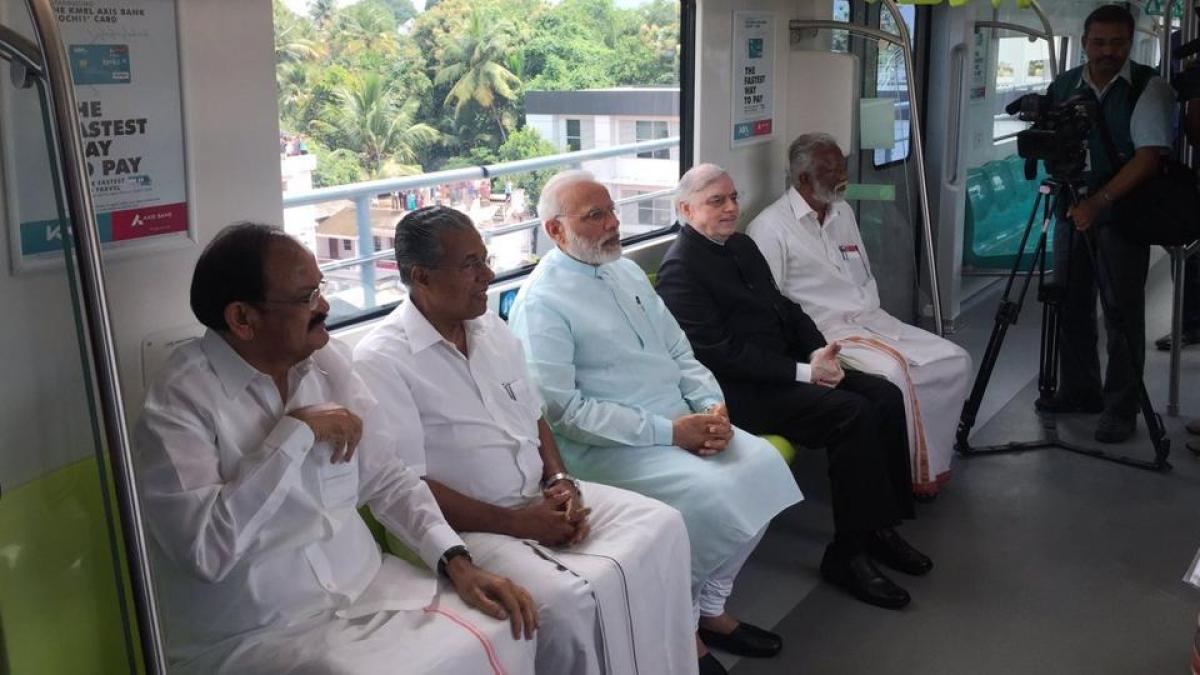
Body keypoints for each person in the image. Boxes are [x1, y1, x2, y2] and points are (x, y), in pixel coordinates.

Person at [134, 223, 538, 675]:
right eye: (307, 298)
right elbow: (207, 550)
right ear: (243, 319)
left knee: (505, 625)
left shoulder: (326, 364)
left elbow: (387, 478)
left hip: (367, 590)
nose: (324, 307)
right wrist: (292, 437)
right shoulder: (178, 403)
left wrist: (457, 562)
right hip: (262, 632)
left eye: (320, 289)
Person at [354, 206, 696, 675]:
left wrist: (560, 480)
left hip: (535, 495)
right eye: (471, 264)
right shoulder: (382, 360)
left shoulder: (490, 327)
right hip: (462, 525)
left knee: (666, 525)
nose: (488, 275)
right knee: (568, 601)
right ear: (422, 277)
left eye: (485, 259)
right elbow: (407, 486)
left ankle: (668, 661)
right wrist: (522, 525)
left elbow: (533, 417)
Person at [508, 170, 804, 675]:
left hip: (680, 421)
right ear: (556, 231)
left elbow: (677, 349)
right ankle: (682, 630)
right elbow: (564, 413)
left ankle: (710, 606)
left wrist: (712, 406)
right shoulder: (542, 303)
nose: (613, 224)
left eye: (612, 210)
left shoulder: (622, 270)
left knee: (764, 466)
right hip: (609, 446)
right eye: (594, 216)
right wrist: (671, 431)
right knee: (713, 500)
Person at [657, 163, 932, 609]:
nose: (730, 208)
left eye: (732, 198)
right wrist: (805, 374)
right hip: (739, 392)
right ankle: (847, 554)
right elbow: (718, 353)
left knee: (884, 394)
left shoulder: (741, 247)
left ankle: (880, 527)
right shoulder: (680, 269)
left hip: (788, 369)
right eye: (716, 201)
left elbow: (785, 307)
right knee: (850, 414)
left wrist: (820, 354)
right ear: (685, 208)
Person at [747, 134, 971, 497]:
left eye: (843, 165)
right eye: (830, 169)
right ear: (802, 179)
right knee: (894, 375)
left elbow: (862, 272)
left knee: (954, 360)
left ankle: (931, 465)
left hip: (872, 320)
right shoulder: (769, 228)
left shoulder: (843, 211)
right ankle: (900, 475)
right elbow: (773, 305)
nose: (842, 175)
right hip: (827, 334)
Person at [1037, 4, 1175, 442]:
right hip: (1069, 209)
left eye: (1117, 43)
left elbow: (1148, 157)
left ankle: (1121, 408)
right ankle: (1081, 391)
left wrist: (1100, 201)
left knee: (1121, 313)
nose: (1107, 52)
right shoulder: (1063, 86)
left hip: (1122, 215)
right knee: (1070, 304)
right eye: (1099, 43)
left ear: (1130, 43)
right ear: (1084, 43)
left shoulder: (1147, 88)